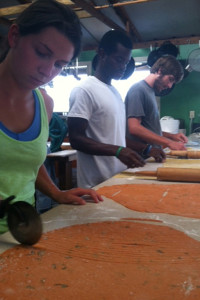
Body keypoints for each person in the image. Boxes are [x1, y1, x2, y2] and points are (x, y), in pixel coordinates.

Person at [0, 0, 103, 234]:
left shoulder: (44, 104)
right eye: (41, 53)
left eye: (59, 64)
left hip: (20, 233)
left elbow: (29, 163)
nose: (47, 71)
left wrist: (57, 193)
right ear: (14, 36)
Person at [67, 30, 166, 189]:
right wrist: (119, 151)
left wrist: (146, 149)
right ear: (102, 53)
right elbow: (76, 139)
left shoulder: (115, 92)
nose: (122, 67)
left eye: (126, 62)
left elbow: (115, 138)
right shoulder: (84, 90)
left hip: (116, 178)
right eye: (119, 60)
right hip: (95, 185)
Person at [125, 55, 188, 150]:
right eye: (170, 79)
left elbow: (149, 129)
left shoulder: (150, 92)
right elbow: (134, 128)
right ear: (160, 71)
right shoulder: (138, 90)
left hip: (151, 157)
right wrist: (169, 142)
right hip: (140, 159)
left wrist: (172, 136)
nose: (170, 86)